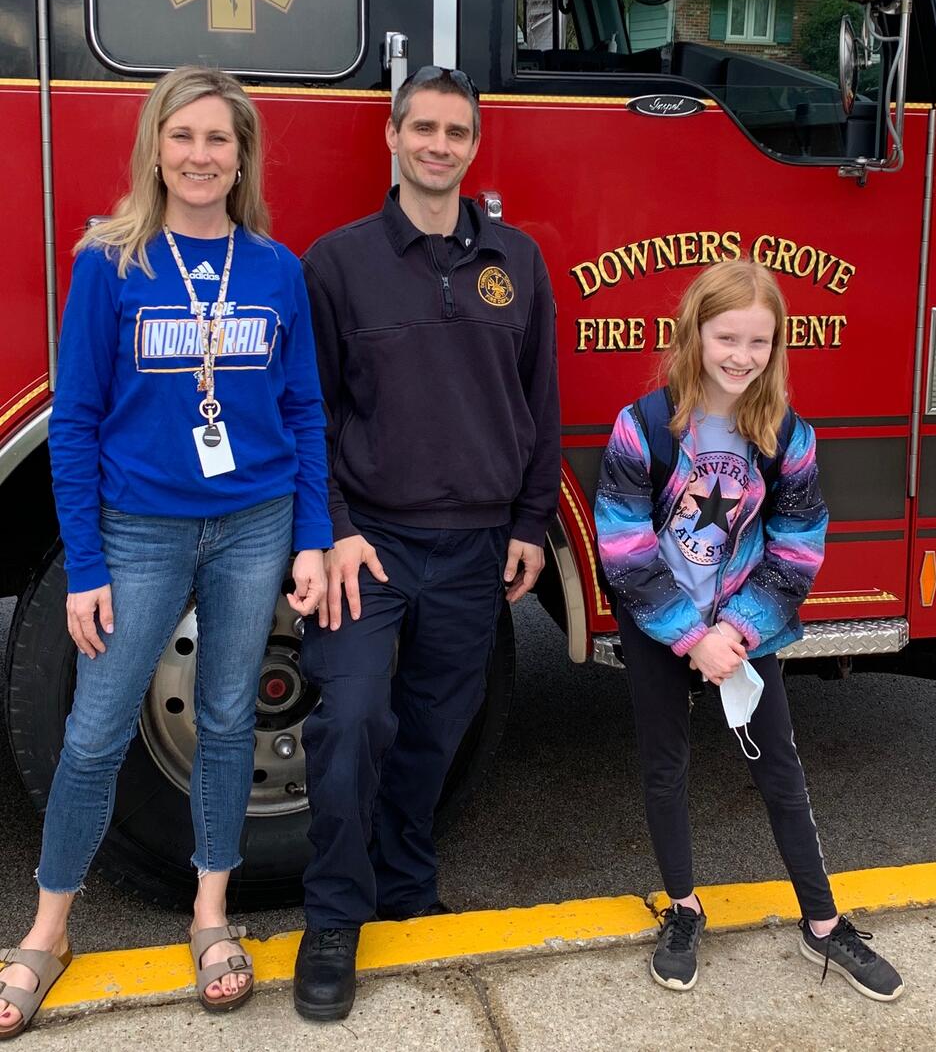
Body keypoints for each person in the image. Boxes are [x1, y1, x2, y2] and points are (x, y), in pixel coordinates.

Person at [0, 67, 332, 1036]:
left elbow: (305, 412)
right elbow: (75, 423)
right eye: (183, 136)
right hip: (139, 531)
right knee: (96, 731)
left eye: (218, 139)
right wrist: (87, 566)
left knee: (227, 721)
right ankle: (47, 931)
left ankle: (211, 915)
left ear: (242, 157)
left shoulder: (276, 269)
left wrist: (311, 538)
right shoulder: (110, 263)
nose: (199, 155)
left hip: (255, 523)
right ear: (155, 148)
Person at [294, 64, 560, 1022]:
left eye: (456, 131)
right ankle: (334, 919)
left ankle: (404, 887)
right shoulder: (336, 262)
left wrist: (530, 524)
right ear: (393, 137)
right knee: (353, 720)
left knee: (438, 729)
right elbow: (309, 414)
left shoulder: (518, 261)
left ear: (474, 146)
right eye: (423, 128)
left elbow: (540, 403)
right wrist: (334, 530)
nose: (439, 145)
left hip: (476, 545)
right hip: (369, 546)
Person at [595, 260, 904, 1003]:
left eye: (758, 341)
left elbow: (798, 546)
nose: (741, 355)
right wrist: (689, 635)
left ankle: (823, 923)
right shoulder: (643, 428)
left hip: (742, 625)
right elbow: (624, 548)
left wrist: (736, 629)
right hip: (659, 622)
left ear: (777, 346)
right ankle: (683, 908)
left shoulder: (786, 435)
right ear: (694, 334)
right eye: (726, 337)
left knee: (780, 769)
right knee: (665, 765)